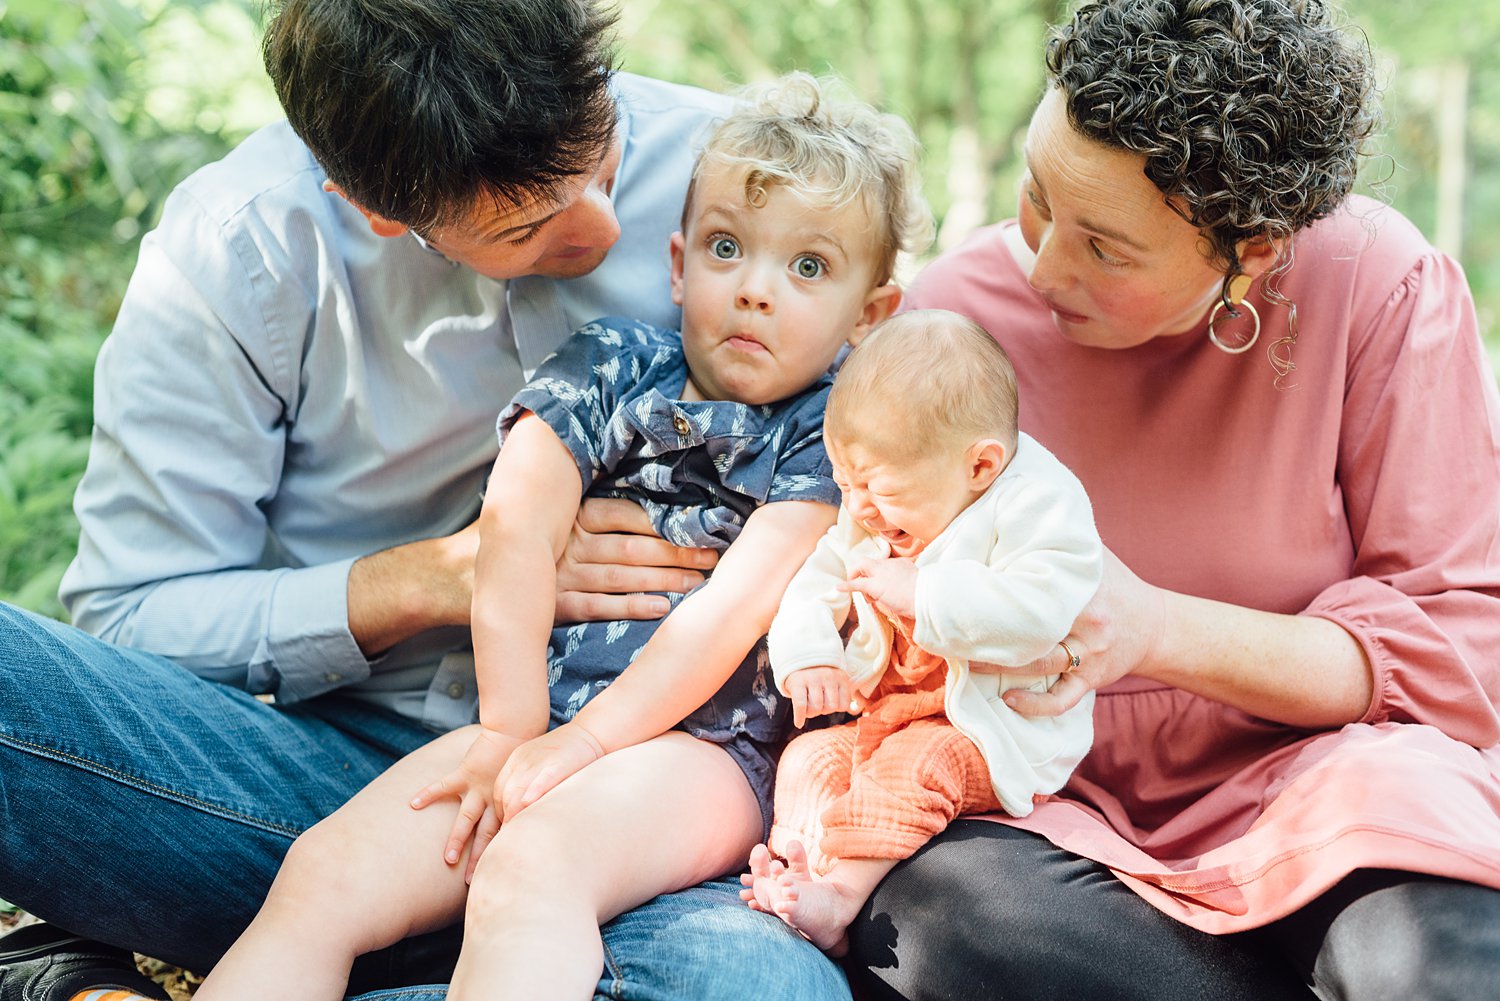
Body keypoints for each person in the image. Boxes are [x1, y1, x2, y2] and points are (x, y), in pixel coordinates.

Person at [0, 2, 850, 1000]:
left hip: (646, 805)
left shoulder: (760, 193)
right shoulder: (243, 248)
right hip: (308, 781)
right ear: (377, 207)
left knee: (755, 990)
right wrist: (441, 576)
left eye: (604, 155)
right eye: (529, 222)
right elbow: (136, 613)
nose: (605, 226)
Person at [191, 70, 927, 1001]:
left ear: (871, 315)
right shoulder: (612, 364)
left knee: (531, 867)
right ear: (677, 262)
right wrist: (508, 726)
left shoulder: (834, 429)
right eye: (728, 248)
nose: (755, 292)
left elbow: (733, 612)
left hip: (707, 751)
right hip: (534, 717)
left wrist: (579, 750)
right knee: (325, 872)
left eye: (809, 267)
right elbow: (516, 529)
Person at [837, 1, 1500, 999]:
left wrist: (1153, 629)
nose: (1046, 264)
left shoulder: (1377, 285)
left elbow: (1460, 656)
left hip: (1328, 783)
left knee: (1431, 956)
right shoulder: (952, 328)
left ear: (1255, 252)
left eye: (1105, 247)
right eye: (1035, 194)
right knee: (929, 919)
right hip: (1045, 800)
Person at [738, 309, 1102, 954]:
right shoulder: (875, 511)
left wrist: (923, 593)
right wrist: (811, 655)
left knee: (920, 762)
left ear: (980, 467)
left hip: (991, 731)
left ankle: (840, 898)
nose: (858, 509)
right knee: (810, 759)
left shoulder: (1038, 504)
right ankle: (804, 873)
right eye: (846, 484)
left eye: (880, 489)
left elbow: (1039, 612)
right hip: (894, 715)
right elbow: (818, 575)